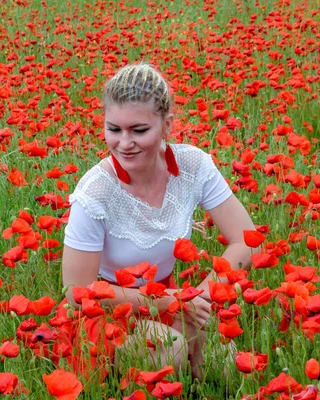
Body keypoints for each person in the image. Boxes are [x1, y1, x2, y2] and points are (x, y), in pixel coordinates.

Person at [61, 63, 257, 379]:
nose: (124, 143)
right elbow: (78, 291)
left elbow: (246, 238)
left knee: (223, 359)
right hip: (106, 311)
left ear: (166, 125)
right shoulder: (96, 191)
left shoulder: (192, 166)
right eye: (114, 129)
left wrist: (201, 297)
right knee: (169, 349)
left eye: (139, 130)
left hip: (170, 299)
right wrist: (173, 302)